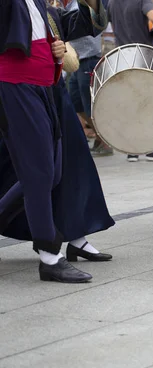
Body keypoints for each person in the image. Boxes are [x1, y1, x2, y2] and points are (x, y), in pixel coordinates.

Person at [0, 0, 106, 283]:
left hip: (45, 86)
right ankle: (49, 256)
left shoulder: (38, 4)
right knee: (40, 173)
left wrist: (56, 51)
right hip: (16, 86)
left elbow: (78, 24)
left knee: (53, 171)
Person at [107, 0, 153, 162]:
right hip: (143, 55)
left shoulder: (112, 2)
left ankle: (132, 151)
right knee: (149, 104)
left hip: (122, 55)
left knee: (131, 104)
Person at [65, 0, 113, 156]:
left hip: (89, 59)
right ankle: (101, 137)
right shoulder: (67, 5)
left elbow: (95, 23)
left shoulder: (79, 4)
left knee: (89, 105)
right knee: (76, 102)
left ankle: (106, 142)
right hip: (77, 61)